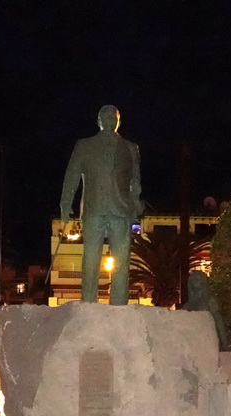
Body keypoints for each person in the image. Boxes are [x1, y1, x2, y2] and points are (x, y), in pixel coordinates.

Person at [60, 104, 143, 305]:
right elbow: (72, 175)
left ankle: (119, 304)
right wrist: (65, 204)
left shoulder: (131, 148)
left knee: (122, 262)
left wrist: (135, 206)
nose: (109, 120)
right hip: (94, 209)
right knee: (90, 258)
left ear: (118, 122)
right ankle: (88, 302)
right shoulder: (84, 145)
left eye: (113, 117)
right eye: (105, 117)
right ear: (98, 121)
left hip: (121, 210)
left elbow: (135, 182)